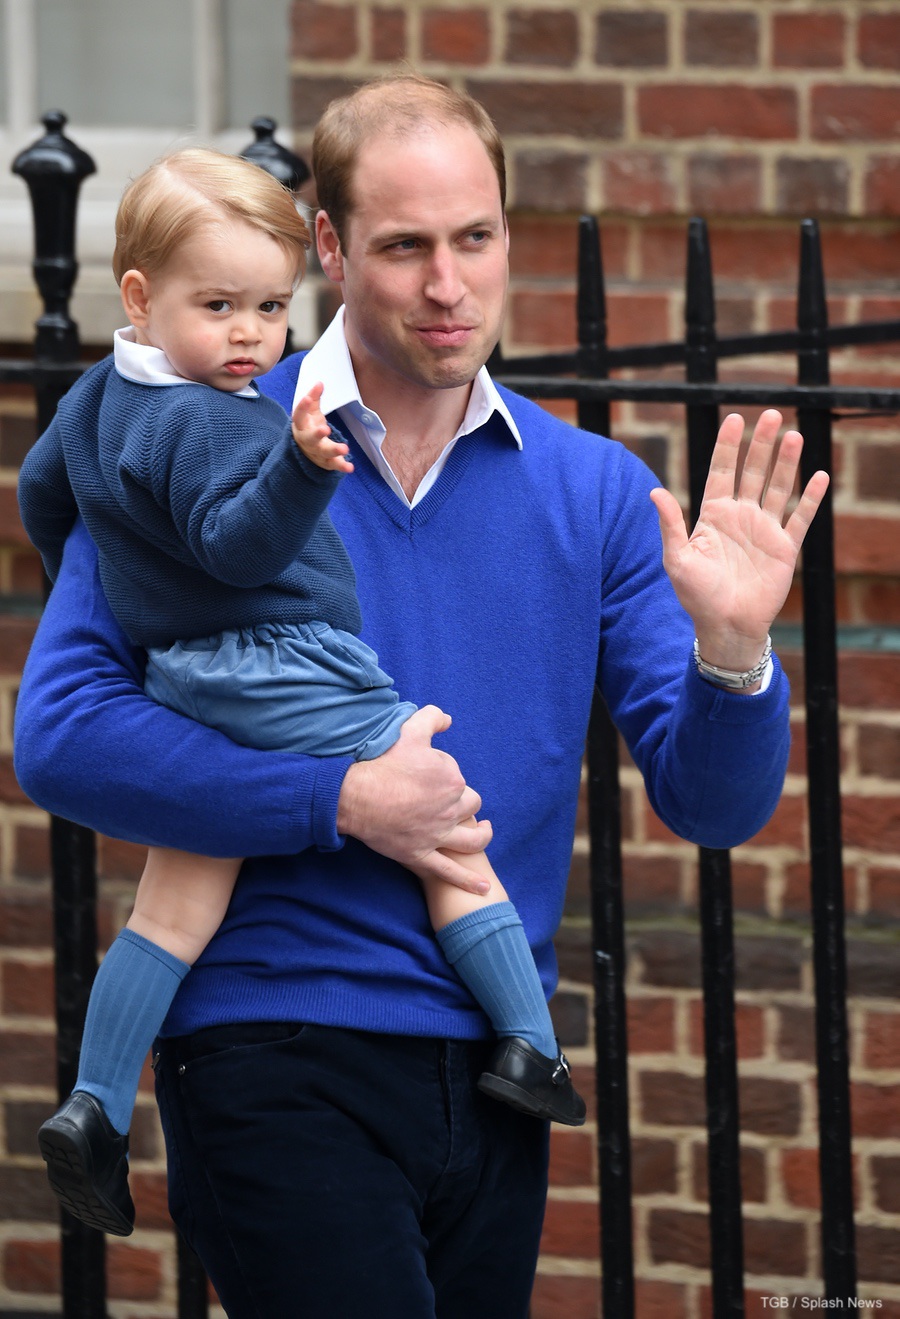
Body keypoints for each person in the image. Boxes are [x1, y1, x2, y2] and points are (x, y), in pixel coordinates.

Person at [14, 74, 829, 1318]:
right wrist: (340, 796)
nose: (450, 286)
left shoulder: (596, 492)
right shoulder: (191, 441)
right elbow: (63, 737)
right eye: (405, 247)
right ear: (329, 249)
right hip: (268, 1039)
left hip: (496, 1068)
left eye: (477, 238)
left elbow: (714, 807)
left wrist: (733, 649)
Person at [18, 145, 586, 1236]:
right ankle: (530, 1042)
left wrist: (116, 581)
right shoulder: (217, 419)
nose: (249, 336)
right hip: (287, 660)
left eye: (271, 307)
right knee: (446, 817)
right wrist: (298, 466)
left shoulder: (96, 398)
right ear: (139, 297)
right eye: (219, 304)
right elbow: (237, 548)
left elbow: (48, 496)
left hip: (188, 678)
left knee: (177, 898)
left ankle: (93, 1103)